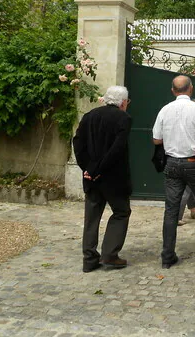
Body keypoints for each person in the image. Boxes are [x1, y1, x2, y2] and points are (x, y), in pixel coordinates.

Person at [73, 86, 132, 273]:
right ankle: (110, 255)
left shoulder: (89, 116)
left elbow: (77, 143)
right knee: (121, 212)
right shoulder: (123, 118)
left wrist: (88, 169)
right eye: (127, 102)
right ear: (123, 102)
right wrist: (98, 169)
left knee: (92, 216)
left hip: (91, 177)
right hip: (113, 176)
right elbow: (117, 149)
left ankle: (89, 258)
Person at [153, 75, 195, 269]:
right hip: (194, 163)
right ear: (191, 89)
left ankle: (167, 255)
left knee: (171, 209)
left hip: (172, 163)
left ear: (173, 91)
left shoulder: (164, 110)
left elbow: (156, 139)